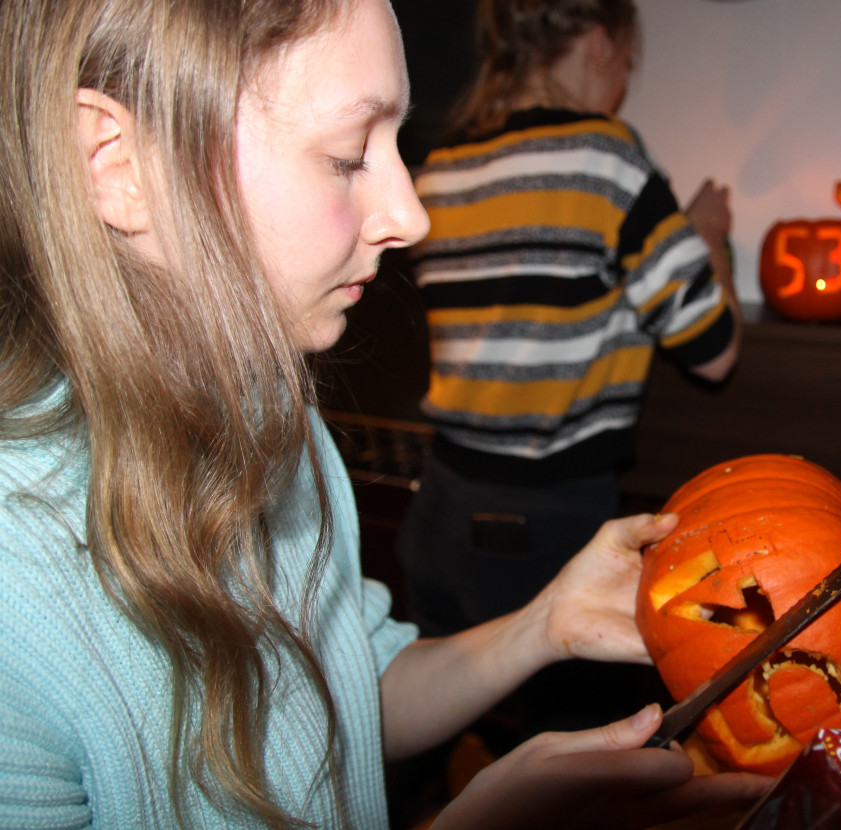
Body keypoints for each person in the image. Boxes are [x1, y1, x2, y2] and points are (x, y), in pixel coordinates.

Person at [0, 0, 771, 827]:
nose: (413, 215)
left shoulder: (282, 428)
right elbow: (710, 345)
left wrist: (544, 623)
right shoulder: (19, 587)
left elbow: (346, 692)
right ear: (116, 162)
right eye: (346, 155)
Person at [398, 0, 742, 736]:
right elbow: (714, 353)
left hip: (440, 509)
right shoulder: (602, 156)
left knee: (470, 739)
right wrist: (706, 234)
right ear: (597, 40)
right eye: (626, 63)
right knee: (580, 763)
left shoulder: (444, 165)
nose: (622, 82)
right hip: (546, 525)